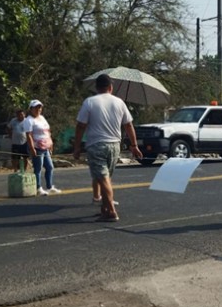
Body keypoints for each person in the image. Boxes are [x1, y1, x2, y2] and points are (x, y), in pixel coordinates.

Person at [73, 74, 142, 222]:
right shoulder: (119, 102)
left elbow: (80, 126)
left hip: (96, 145)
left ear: (96, 87)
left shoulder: (89, 102)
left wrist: (77, 147)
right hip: (115, 145)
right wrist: (134, 145)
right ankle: (104, 209)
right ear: (110, 87)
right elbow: (128, 125)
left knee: (103, 179)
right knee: (106, 178)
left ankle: (111, 211)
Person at [24, 100, 61, 196]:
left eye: (39, 107)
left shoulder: (42, 118)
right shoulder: (29, 120)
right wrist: (32, 148)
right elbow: (29, 135)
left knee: (49, 167)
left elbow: (47, 131)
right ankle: (38, 188)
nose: (38, 109)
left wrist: (51, 144)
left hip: (45, 147)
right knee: (38, 168)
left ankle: (49, 186)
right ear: (31, 109)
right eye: (36, 107)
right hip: (37, 147)